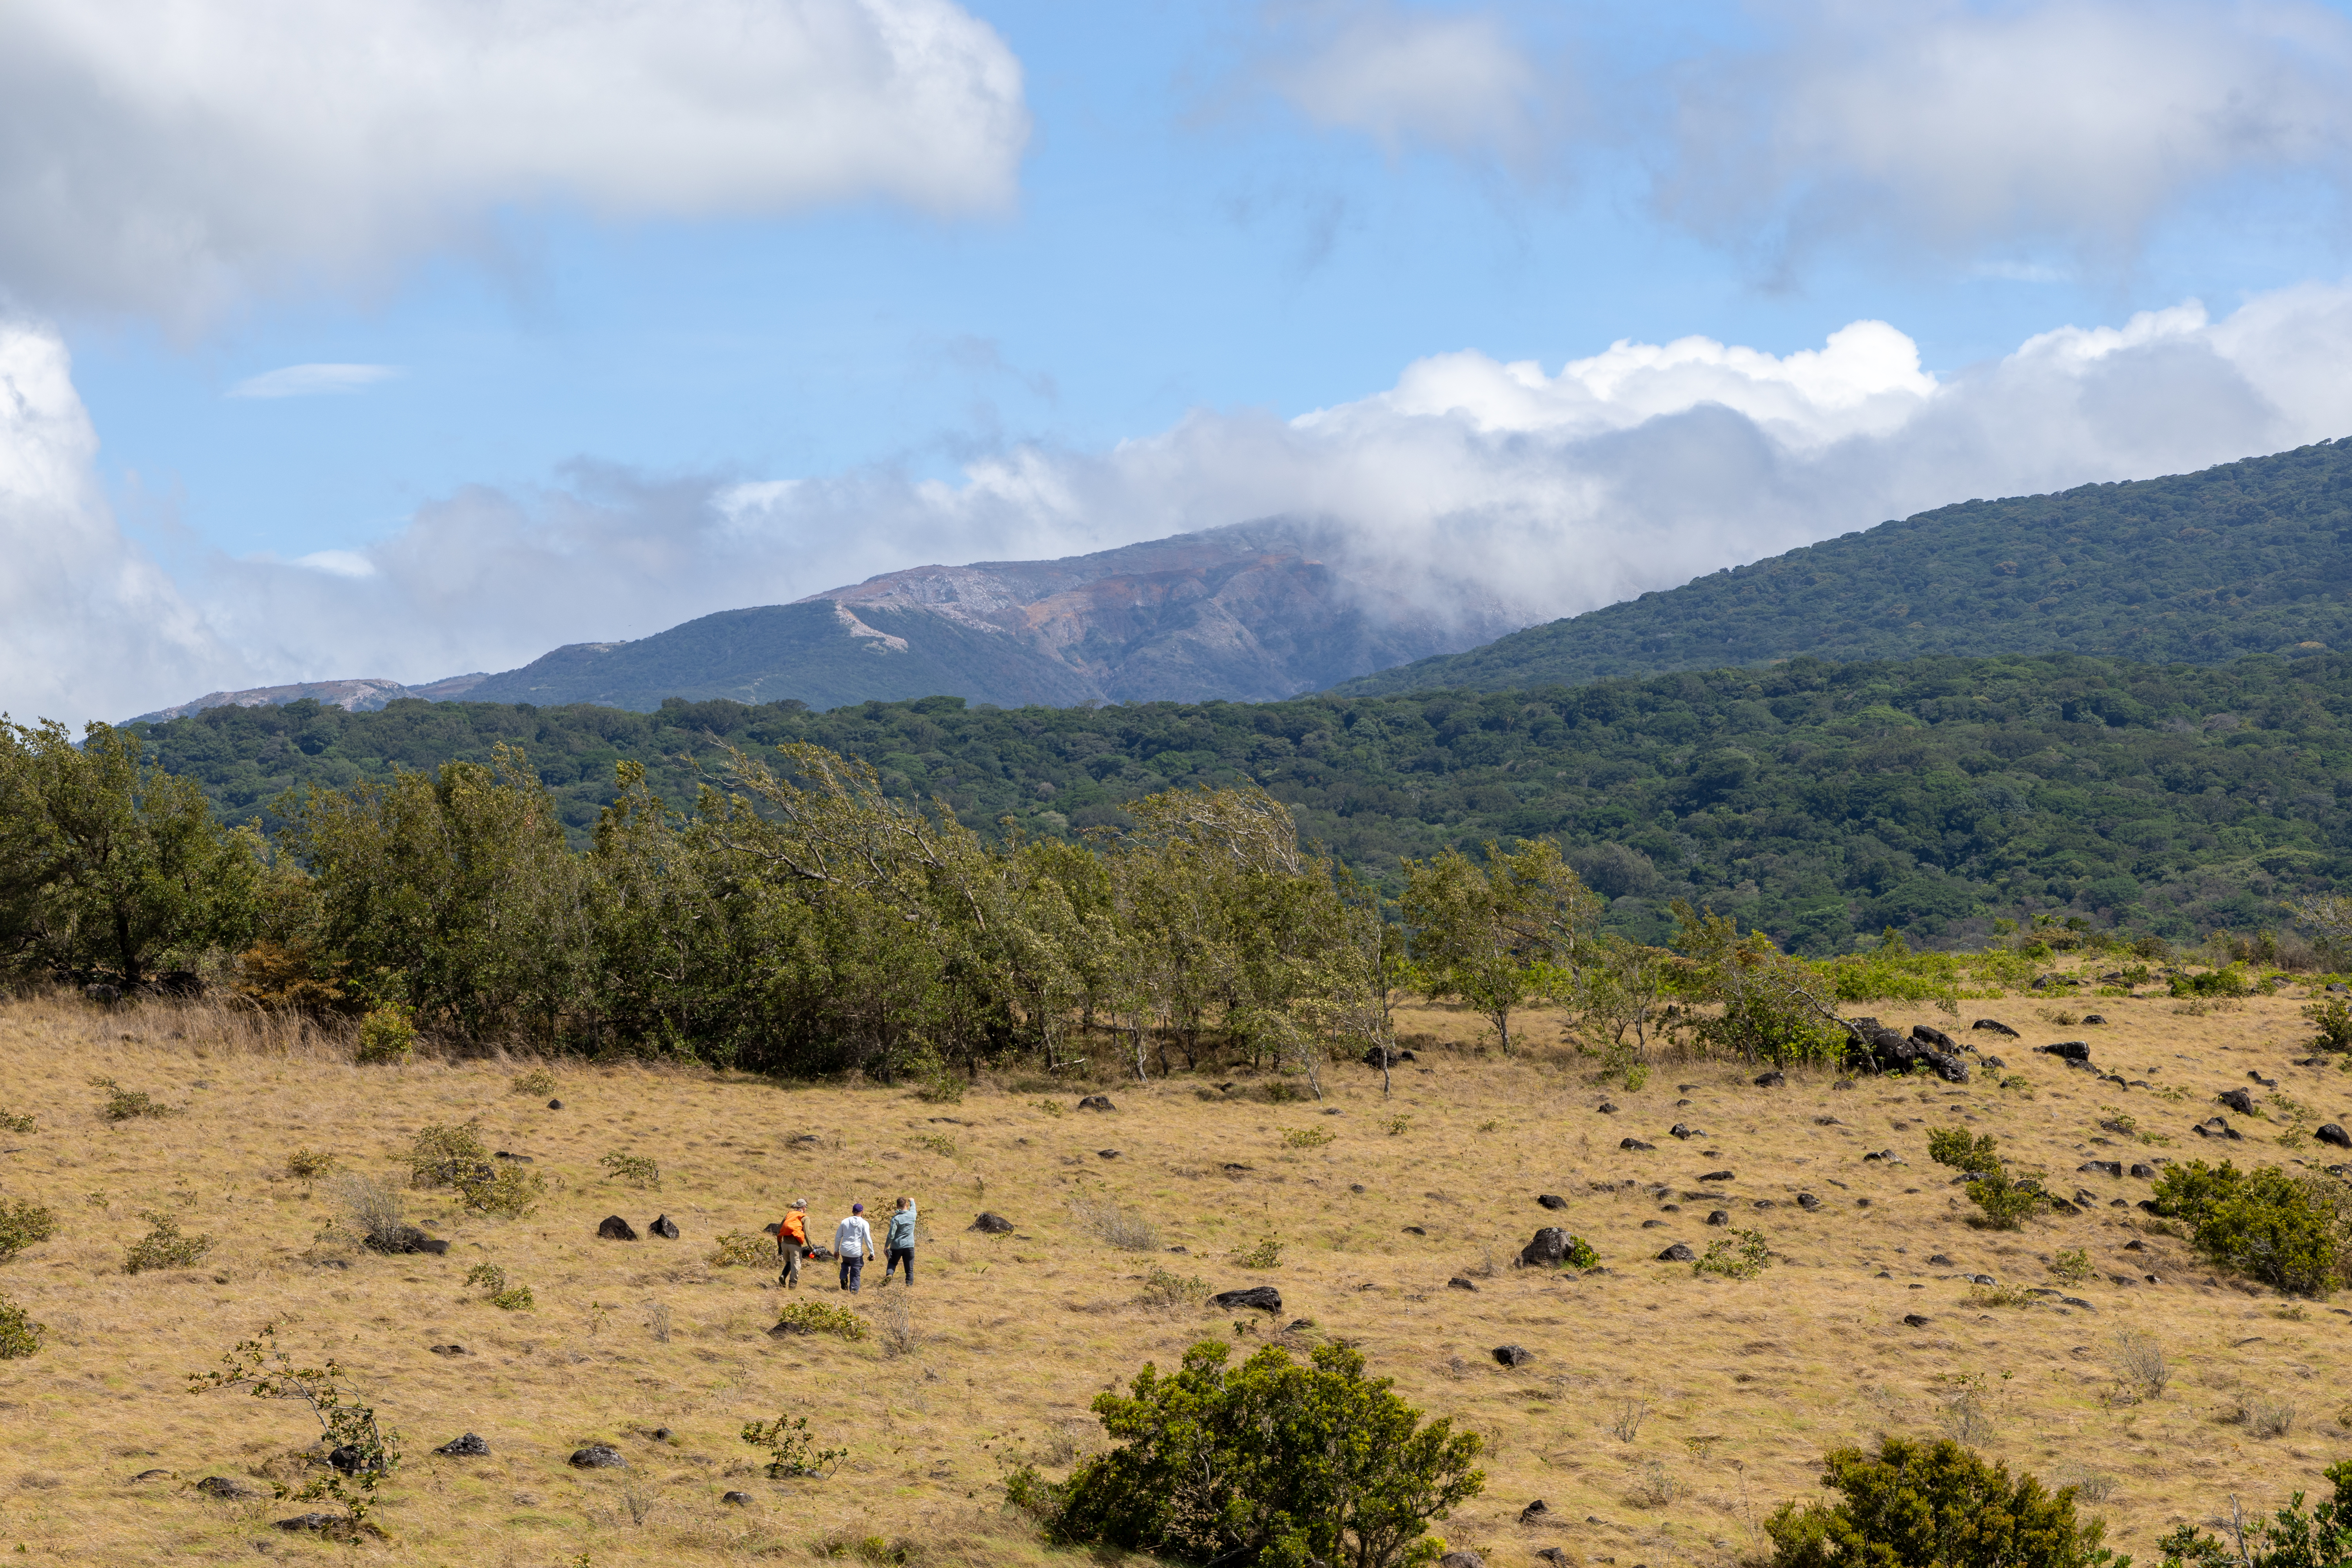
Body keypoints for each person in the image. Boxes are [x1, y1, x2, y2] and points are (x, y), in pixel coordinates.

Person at [833, 1203, 876, 1294]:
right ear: (862, 1212)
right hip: (856, 1252)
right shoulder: (864, 1223)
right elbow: (868, 1239)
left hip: (845, 1250)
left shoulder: (844, 1222)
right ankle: (854, 1293)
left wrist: (836, 1250)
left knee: (845, 1264)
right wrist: (872, 1253)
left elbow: (838, 1237)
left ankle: (844, 1277)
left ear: (853, 1211)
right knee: (856, 1272)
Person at [881, 1195, 916, 1285]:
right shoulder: (912, 1215)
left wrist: (886, 1247)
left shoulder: (895, 1219)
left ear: (897, 1207)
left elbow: (891, 1235)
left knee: (892, 1263)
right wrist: (912, 1201)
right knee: (909, 1270)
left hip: (896, 1246)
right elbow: (914, 1208)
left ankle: (889, 1275)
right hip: (909, 1246)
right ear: (907, 1206)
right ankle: (909, 1286)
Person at [776, 1199, 810, 1289]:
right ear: (804, 1207)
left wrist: (780, 1246)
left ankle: (783, 1276)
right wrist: (811, 1248)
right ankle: (792, 1288)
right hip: (795, 1246)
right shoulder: (805, 1218)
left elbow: (779, 1230)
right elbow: (807, 1234)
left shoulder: (789, 1215)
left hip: (784, 1244)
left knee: (789, 1262)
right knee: (796, 1266)